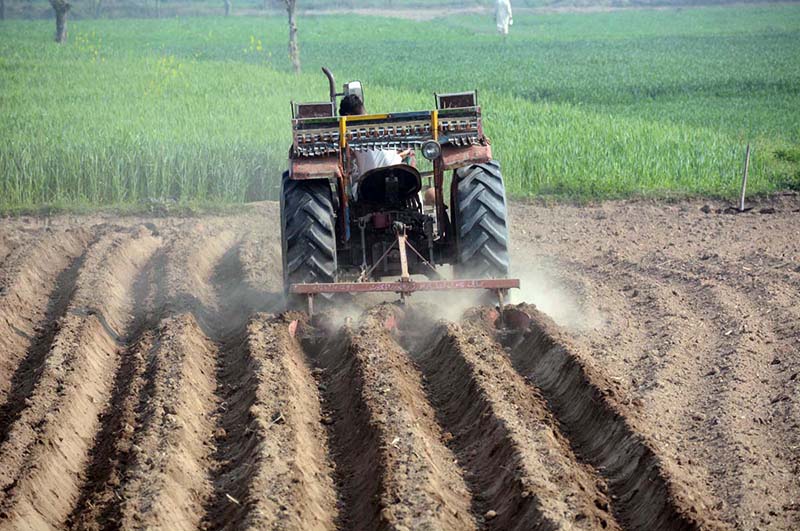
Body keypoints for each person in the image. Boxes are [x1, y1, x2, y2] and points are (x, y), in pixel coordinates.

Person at [339, 94, 413, 201]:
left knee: (352, 190)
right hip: (399, 175)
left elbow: (348, 165)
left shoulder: (350, 133)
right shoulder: (384, 125)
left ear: (348, 115)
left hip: (371, 183)